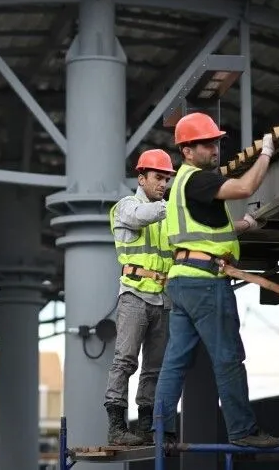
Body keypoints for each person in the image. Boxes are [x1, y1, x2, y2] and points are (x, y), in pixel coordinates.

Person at [152, 112, 279, 448]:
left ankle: (161, 433)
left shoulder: (180, 186)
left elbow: (200, 234)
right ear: (187, 151)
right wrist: (267, 152)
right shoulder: (199, 180)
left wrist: (246, 226)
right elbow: (246, 186)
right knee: (228, 357)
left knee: (175, 362)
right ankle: (243, 431)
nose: (215, 149)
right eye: (206, 144)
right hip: (205, 283)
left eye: (216, 142)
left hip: (182, 282)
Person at [104, 149, 176, 446]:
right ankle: (117, 427)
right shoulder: (127, 207)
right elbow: (141, 216)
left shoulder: (165, 212)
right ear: (141, 177)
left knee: (154, 368)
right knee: (125, 360)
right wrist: (176, 206)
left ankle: (147, 425)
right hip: (133, 295)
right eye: (159, 177)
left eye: (168, 179)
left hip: (162, 298)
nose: (164, 184)